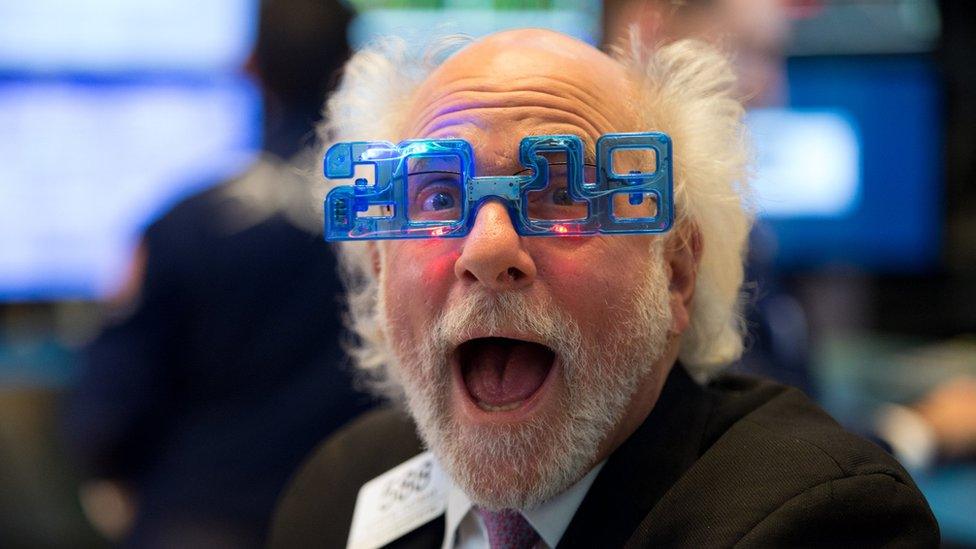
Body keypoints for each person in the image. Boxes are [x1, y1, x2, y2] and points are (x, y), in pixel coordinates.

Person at [270, 29, 939, 548]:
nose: (488, 248)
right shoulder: (337, 492)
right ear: (382, 266)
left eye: (563, 193)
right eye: (442, 195)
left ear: (675, 271)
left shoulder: (813, 521)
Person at [63, 0, 373, 547]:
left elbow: (108, 413)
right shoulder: (397, 227)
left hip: (199, 520)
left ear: (250, 66)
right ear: (352, 68)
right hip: (362, 519)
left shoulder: (178, 226)